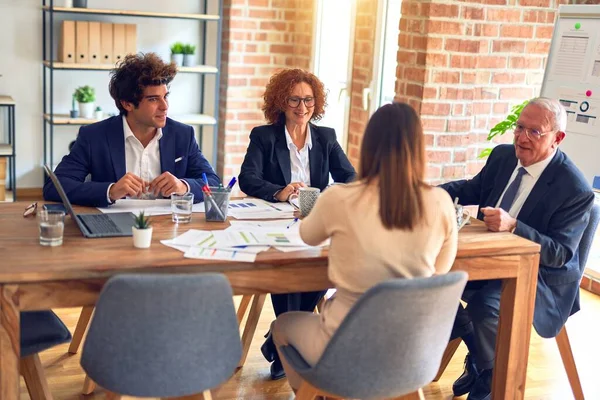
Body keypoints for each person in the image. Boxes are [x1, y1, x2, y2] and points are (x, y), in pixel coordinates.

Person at [271, 102, 458, 391]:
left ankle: (315, 396)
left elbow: (308, 235)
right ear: (419, 148)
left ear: (368, 146)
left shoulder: (340, 198)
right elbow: (437, 273)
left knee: (281, 326)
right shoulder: (442, 202)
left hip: (344, 346)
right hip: (411, 350)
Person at [441, 97, 594, 400]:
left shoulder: (574, 188)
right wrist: (423, 193)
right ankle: (488, 368)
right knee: (431, 286)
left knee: (486, 307)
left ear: (557, 138)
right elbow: (471, 188)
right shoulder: (503, 156)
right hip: (488, 259)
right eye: (520, 128)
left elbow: (561, 254)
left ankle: (487, 374)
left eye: (534, 132)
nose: (522, 138)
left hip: (537, 278)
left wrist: (514, 226)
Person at [238, 68, 356, 380]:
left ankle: (280, 345)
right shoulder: (264, 136)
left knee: (319, 265)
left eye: (308, 100)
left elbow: (351, 177)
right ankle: (285, 347)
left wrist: (329, 195)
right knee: (285, 268)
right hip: (272, 219)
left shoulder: (326, 137)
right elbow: (248, 178)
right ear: (280, 102)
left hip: (311, 219)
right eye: (294, 100)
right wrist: (279, 190)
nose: (302, 107)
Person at [43, 53, 220, 207]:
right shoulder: (94, 136)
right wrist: (110, 191)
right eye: (153, 99)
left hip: (169, 227)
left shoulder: (183, 135)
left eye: (165, 96)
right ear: (127, 104)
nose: (164, 106)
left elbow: (214, 183)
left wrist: (183, 186)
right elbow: (55, 186)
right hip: (113, 227)